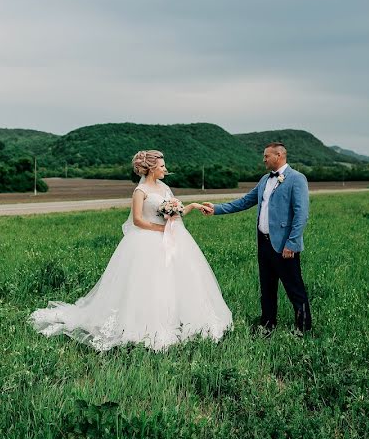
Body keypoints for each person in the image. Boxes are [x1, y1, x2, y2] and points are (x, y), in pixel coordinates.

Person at [30, 150, 233, 351]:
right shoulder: (140, 191)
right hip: (146, 241)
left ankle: (179, 319)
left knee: (177, 279)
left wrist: (193, 206)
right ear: (152, 169)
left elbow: (177, 213)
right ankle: (144, 325)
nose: (165, 169)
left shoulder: (165, 187)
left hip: (171, 240)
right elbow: (137, 220)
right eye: (162, 166)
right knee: (148, 282)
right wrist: (160, 229)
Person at [202, 142, 312, 335]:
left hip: (285, 245)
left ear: (279, 155)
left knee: (294, 288)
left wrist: (292, 243)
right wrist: (216, 209)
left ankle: (303, 328)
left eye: (266, 156)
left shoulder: (296, 179)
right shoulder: (264, 180)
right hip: (264, 243)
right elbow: (245, 202)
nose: (264, 159)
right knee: (267, 288)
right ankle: (267, 325)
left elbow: (301, 214)